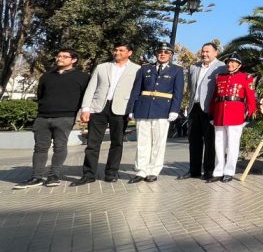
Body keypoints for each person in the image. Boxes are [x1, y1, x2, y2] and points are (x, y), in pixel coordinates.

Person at [14, 49, 90, 189]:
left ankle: (54, 176)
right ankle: (36, 177)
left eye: (64, 56)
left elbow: (86, 97)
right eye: (58, 56)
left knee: (60, 147)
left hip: (65, 117)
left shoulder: (83, 77)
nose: (60, 58)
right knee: (40, 148)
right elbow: (41, 95)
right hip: (43, 117)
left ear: (73, 60)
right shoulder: (46, 77)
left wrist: (84, 112)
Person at [75, 43, 142, 185]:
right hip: (99, 107)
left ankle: (111, 173)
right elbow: (91, 88)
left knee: (117, 142)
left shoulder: (137, 69)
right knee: (92, 143)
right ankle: (88, 174)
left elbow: (137, 92)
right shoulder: (102, 67)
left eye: (121, 50)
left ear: (129, 53)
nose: (117, 52)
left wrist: (133, 110)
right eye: (115, 50)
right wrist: (86, 108)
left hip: (121, 109)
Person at [127, 44, 184, 183]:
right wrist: (131, 109)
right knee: (142, 141)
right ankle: (141, 170)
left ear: (171, 55)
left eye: (166, 52)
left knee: (158, 142)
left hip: (162, 110)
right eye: (160, 51)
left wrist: (174, 109)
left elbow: (178, 92)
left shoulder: (177, 70)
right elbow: (136, 90)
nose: (162, 54)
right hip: (143, 108)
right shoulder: (145, 68)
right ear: (155, 54)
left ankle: (153, 170)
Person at [208, 53, 256, 183]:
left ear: (239, 65)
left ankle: (229, 171)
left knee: (233, 144)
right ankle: (218, 171)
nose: (230, 64)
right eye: (229, 62)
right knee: (218, 144)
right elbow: (214, 96)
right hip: (219, 114)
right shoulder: (220, 77)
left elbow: (251, 98)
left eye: (233, 62)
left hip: (236, 114)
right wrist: (211, 112)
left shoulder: (246, 77)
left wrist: (249, 114)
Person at [184, 42, 226, 180]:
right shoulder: (194, 67)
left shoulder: (222, 67)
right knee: (194, 140)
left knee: (210, 141)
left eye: (208, 52)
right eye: (203, 51)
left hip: (210, 108)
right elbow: (191, 86)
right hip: (194, 107)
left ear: (215, 53)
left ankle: (209, 170)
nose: (204, 54)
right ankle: (194, 170)